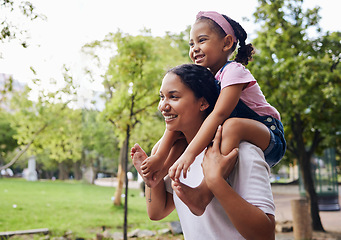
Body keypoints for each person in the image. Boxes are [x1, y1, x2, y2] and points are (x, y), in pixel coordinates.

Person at [141, 11, 285, 188]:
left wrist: (190, 154)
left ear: (226, 43)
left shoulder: (234, 71)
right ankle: (158, 173)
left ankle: (204, 191)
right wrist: (159, 156)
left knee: (232, 126)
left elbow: (219, 114)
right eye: (191, 43)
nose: (194, 48)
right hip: (233, 135)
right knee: (179, 121)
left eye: (201, 40)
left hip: (270, 136)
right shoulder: (208, 78)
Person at [131, 64, 276, 239]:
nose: (163, 106)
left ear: (203, 103)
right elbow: (156, 212)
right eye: (162, 97)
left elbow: (266, 235)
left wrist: (216, 181)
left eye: (174, 97)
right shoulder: (177, 156)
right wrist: (151, 180)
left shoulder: (241, 152)